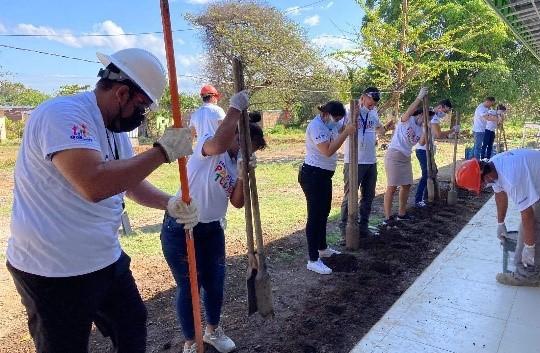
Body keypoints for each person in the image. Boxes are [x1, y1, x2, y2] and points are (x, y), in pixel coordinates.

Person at [5, 48, 198, 353]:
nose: (143, 115)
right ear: (122, 93)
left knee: (132, 325)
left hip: (104, 258)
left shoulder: (115, 130)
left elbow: (127, 181)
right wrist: (162, 152)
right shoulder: (61, 115)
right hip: (52, 270)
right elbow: (93, 183)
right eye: (143, 107)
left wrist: (169, 203)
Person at [160, 96, 265, 353]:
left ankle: (212, 331)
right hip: (182, 227)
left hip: (211, 230)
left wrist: (242, 175)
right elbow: (219, 142)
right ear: (237, 137)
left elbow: (238, 202)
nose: (246, 152)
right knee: (189, 287)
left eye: (251, 151)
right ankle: (191, 341)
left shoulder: (234, 162)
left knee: (215, 283)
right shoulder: (207, 145)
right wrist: (235, 107)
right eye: (246, 146)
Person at [456, 149, 540, 286]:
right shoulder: (493, 166)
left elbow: (527, 215)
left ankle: (528, 275)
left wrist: (529, 247)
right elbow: (500, 195)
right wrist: (500, 223)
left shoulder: (511, 178)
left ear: (484, 176)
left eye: (481, 185)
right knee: (530, 231)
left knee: (531, 230)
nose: (483, 187)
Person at [298, 101, 355, 275]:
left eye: (339, 119)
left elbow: (340, 127)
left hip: (324, 175)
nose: (336, 121)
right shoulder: (316, 127)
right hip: (312, 175)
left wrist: (348, 124)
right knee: (315, 216)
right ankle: (313, 259)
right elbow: (328, 150)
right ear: (326, 114)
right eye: (335, 118)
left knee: (324, 212)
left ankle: (322, 248)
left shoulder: (331, 122)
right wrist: (346, 132)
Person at [339, 87, 393, 238]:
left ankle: (363, 227)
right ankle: (345, 231)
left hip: (371, 160)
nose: (373, 106)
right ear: (363, 97)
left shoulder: (373, 111)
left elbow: (379, 130)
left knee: (368, 196)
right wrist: (354, 117)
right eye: (371, 102)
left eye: (375, 104)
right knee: (350, 196)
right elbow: (340, 130)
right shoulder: (348, 109)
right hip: (354, 160)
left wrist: (386, 128)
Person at [382, 87, 429, 224]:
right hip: (394, 155)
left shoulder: (421, 129)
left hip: (406, 157)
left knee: (407, 185)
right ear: (418, 114)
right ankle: (387, 217)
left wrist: (426, 129)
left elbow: (421, 142)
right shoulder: (406, 120)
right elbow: (410, 109)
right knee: (392, 186)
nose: (426, 118)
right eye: (425, 115)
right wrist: (419, 97)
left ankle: (402, 214)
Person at [414, 99, 456, 207]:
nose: (445, 114)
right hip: (423, 149)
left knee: (433, 171)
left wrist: (448, 134)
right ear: (441, 107)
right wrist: (452, 131)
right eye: (445, 111)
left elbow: (435, 134)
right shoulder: (432, 117)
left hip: (428, 149)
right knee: (427, 173)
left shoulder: (433, 116)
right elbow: (437, 134)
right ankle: (419, 199)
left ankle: (428, 197)